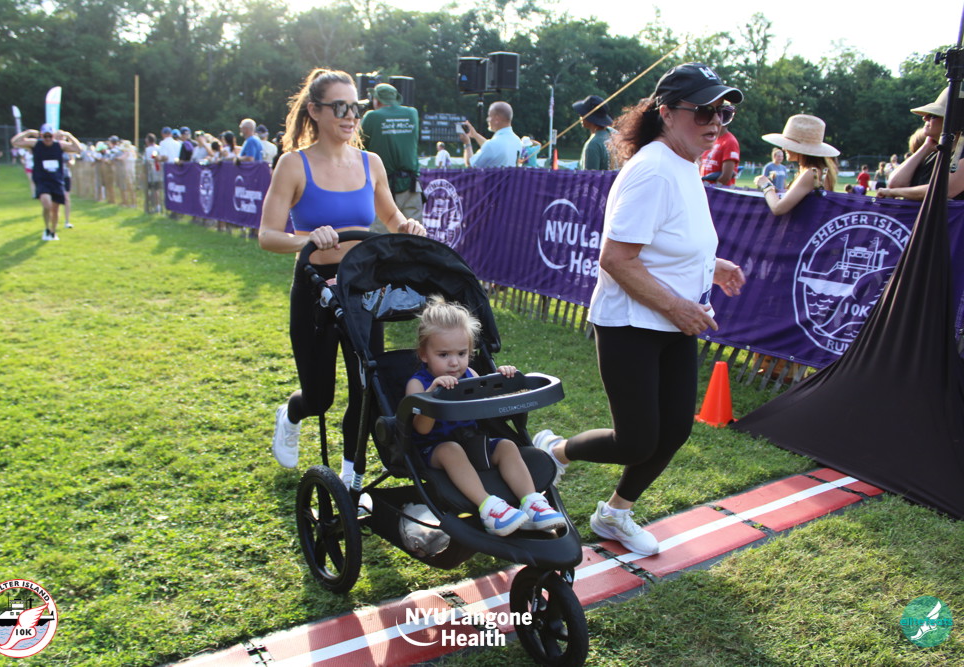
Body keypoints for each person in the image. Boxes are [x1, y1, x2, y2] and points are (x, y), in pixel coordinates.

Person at [531, 62, 746, 555]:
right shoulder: (653, 169)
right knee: (636, 440)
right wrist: (679, 307)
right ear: (667, 113)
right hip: (632, 322)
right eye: (704, 111)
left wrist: (711, 266)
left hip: (672, 320)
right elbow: (616, 259)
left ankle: (615, 514)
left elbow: (665, 241)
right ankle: (554, 450)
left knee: (674, 431)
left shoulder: (684, 163)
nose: (716, 122)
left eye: (723, 112)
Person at [257, 68, 426, 481]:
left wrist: (407, 226)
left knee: (367, 389)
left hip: (362, 286)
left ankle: (352, 480)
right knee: (320, 397)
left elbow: (391, 216)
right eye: (339, 107)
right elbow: (267, 235)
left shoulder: (371, 162)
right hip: (315, 288)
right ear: (315, 111)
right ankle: (291, 413)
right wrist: (308, 240)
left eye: (355, 107)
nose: (350, 116)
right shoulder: (293, 165)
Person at [406, 296, 565, 537]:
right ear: (424, 354)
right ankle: (489, 508)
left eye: (462, 353)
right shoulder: (418, 384)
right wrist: (432, 396)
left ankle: (532, 503)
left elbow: (489, 404)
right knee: (451, 450)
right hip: (435, 449)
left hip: (473, 442)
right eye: (443, 355)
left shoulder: (470, 374)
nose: (454, 363)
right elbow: (421, 429)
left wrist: (501, 380)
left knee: (507, 446)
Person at [877, 88, 964, 201]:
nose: (924, 118)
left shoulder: (960, 154)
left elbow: (944, 190)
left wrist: (893, 192)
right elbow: (894, 183)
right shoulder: (933, 153)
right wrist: (925, 148)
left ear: (954, 122)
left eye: (933, 115)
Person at [360, 82, 422, 232]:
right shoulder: (412, 113)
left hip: (382, 188)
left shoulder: (372, 117)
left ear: (376, 100)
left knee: (380, 236)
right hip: (411, 185)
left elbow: (357, 146)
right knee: (412, 234)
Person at [753, 114, 839, 216]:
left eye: (788, 144)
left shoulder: (811, 173)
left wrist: (766, 185)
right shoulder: (819, 170)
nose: (784, 148)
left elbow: (778, 208)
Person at [10, 124, 83, 241]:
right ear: (41, 135)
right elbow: (15, 142)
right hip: (42, 179)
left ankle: (53, 231)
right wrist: (29, 132)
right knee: (47, 204)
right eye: (45, 136)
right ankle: (47, 228)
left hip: (56, 180)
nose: (48, 139)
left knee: (55, 209)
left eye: (50, 136)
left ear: (53, 136)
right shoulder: (36, 144)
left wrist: (68, 135)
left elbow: (78, 149)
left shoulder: (59, 145)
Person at [459, 101, 522, 168]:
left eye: (489, 116)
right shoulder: (517, 141)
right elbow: (492, 148)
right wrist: (475, 135)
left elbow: (470, 165)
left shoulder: (492, 145)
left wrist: (467, 143)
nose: (487, 119)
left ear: (497, 119)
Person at [573, 94, 615, 170]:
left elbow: (590, 176)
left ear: (590, 117)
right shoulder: (614, 134)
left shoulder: (593, 145)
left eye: (582, 114)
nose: (580, 116)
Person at [142, 133, 163, 213]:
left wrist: (144, 172)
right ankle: (158, 205)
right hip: (160, 172)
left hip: (152, 172)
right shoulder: (159, 148)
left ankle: (155, 206)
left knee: (154, 190)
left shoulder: (148, 150)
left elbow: (145, 162)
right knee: (158, 189)